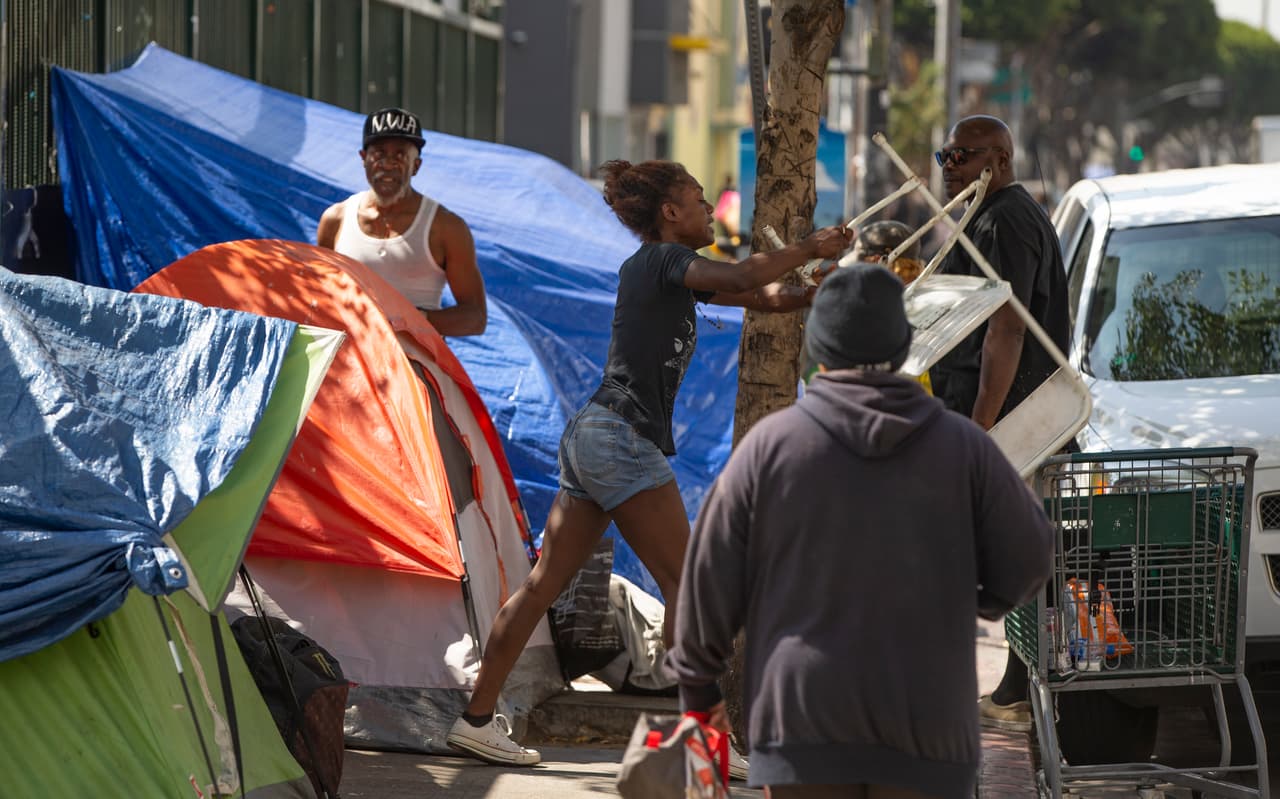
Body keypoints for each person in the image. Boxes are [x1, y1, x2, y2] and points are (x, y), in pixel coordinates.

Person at [444, 159, 852, 766]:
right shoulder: (664, 261)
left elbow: (756, 295)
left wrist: (807, 292)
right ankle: (710, 745)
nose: (712, 206)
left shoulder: (662, 271)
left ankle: (475, 719)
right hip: (622, 440)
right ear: (670, 213)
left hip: (596, 436)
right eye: (699, 197)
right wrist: (809, 246)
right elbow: (744, 270)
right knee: (687, 588)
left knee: (540, 587)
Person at [665, 263, 1054, 796]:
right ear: (903, 346)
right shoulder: (963, 448)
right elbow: (1031, 554)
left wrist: (700, 695)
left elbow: (706, 582)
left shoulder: (771, 447)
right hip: (929, 724)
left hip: (801, 725)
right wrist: (980, 598)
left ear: (819, 348)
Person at [926, 115, 1072, 731]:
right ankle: (1014, 683)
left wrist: (981, 425)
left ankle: (1015, 685)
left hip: (1012, 417)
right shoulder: (988, 214)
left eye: (960, 156)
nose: (949, 166)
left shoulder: (1008, 217)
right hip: (993, 413)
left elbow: (1006, 324)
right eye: (945, 156)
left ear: (1000, 159)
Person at [316, 107, 487, 337]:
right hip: (352, 364)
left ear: (416, 165)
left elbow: (475, 319)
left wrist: (408, 319)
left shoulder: (444, 227)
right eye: (378, 153)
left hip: (415, 368)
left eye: (400, 155)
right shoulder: (335, 220)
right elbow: (320, 300)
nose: (388, 164)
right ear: (363, 158)